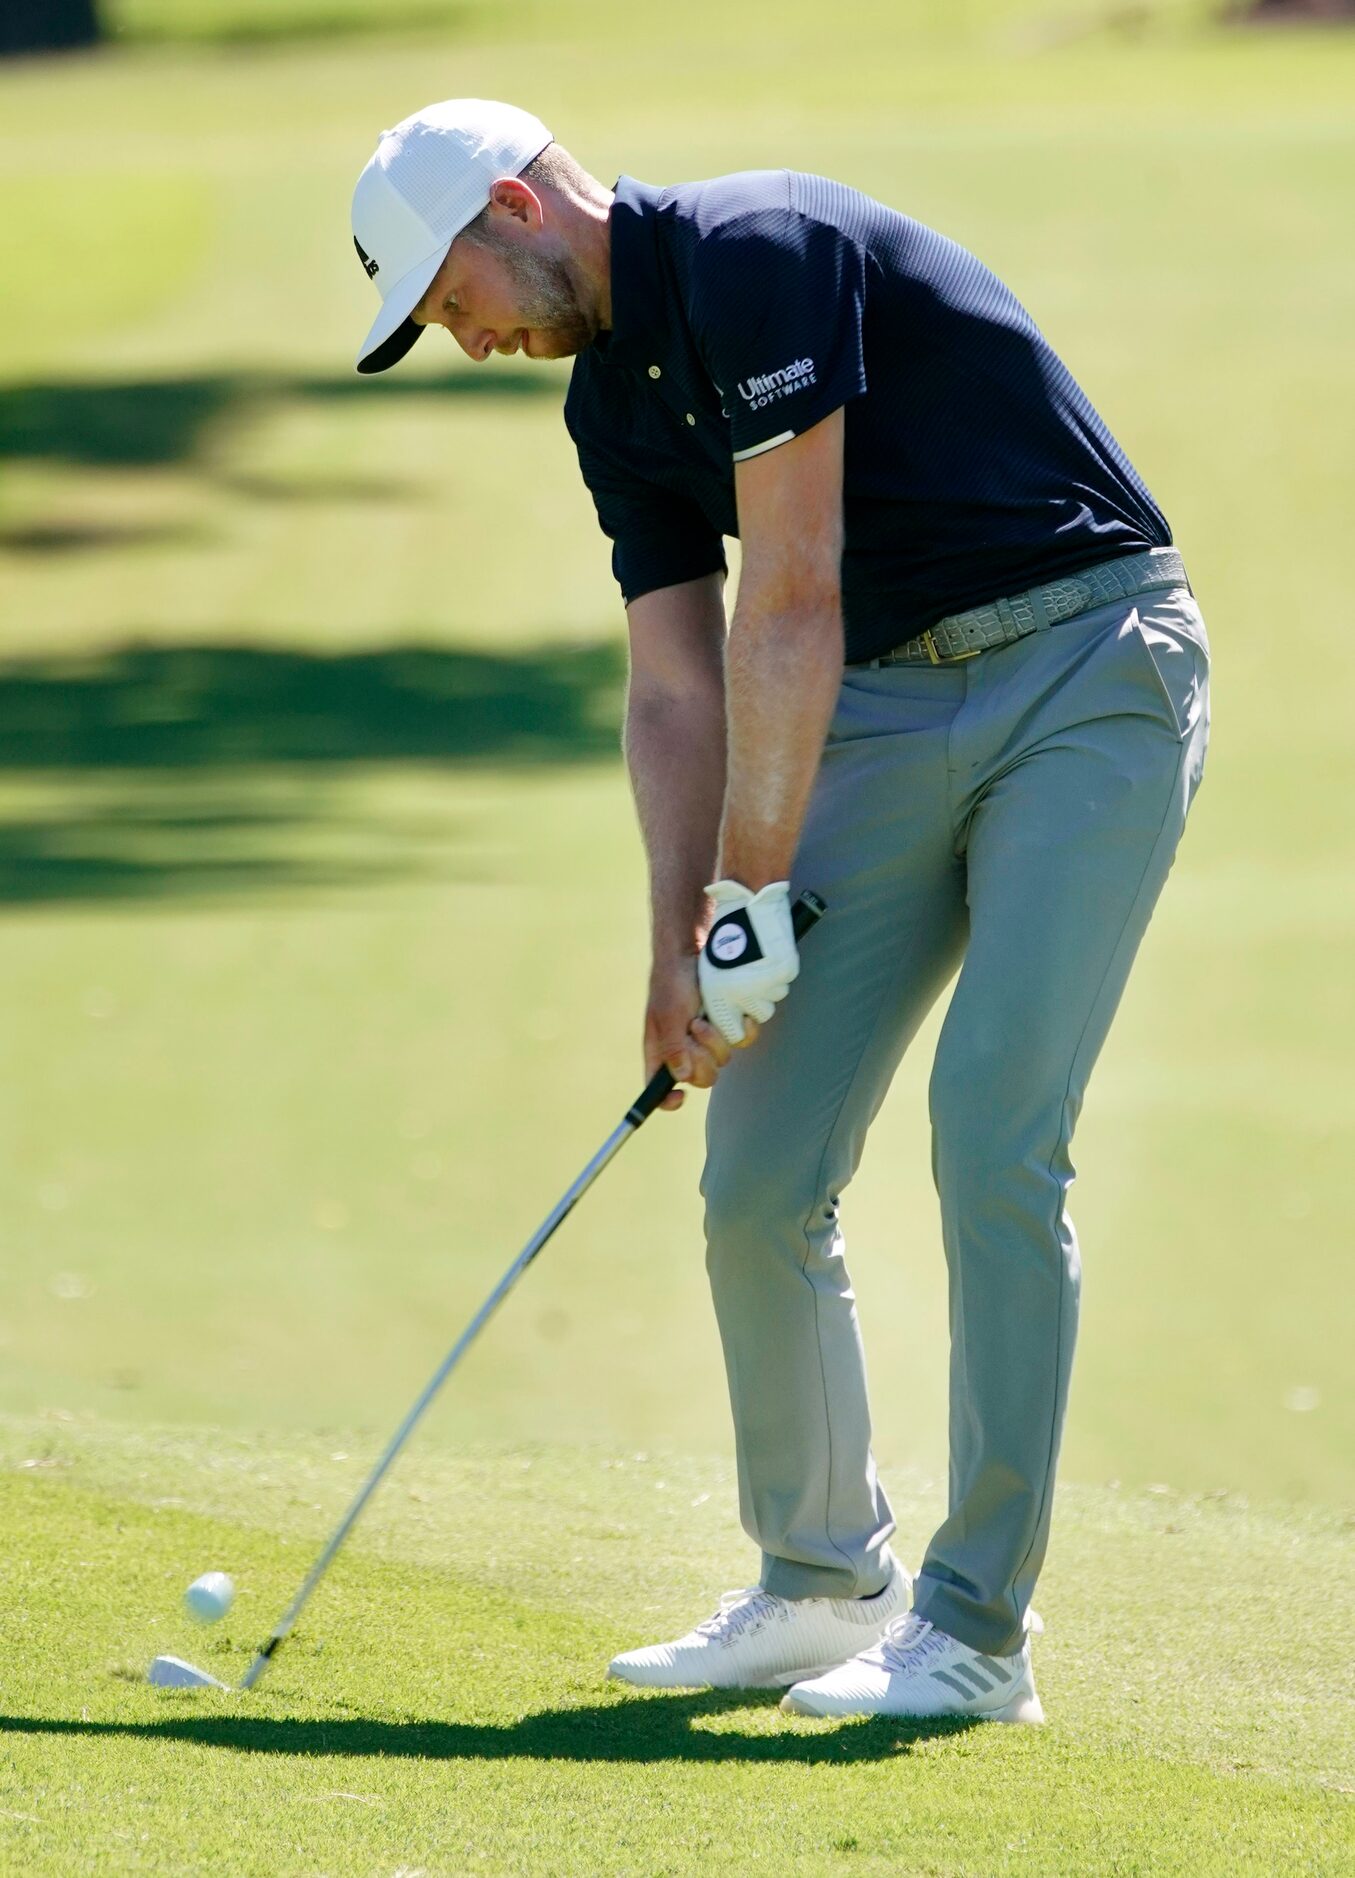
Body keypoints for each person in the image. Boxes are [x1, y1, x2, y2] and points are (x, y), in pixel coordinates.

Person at [351, 99, 1210, 1724]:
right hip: (885, 710)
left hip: (1089, 664)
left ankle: (974, 1631)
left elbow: (789, 597)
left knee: (993, 1129)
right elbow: (677, 682)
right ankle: (824, 1583)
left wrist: (753, 892)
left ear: (518, 209)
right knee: (756, 1168)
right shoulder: (608, 403)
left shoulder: (762, 251)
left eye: (446, 298)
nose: (458, 340)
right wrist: (685, 943)